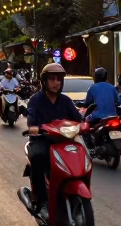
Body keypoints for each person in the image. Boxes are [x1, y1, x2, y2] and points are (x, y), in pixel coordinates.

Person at [26, 63, 82, 213]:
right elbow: (31, 122)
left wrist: (86, 125)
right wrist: (34, 128)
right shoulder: (35, 100)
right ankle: (41, 199)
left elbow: (78, 119)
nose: (56, 82)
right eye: (52, 79)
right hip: (41, 141)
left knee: (80, 155)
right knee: (38, 157)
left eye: (59, 79)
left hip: (63, 141)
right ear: (44, 81)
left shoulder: (66, 101)